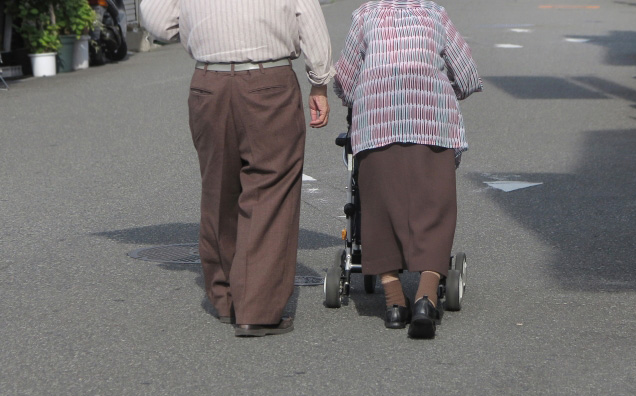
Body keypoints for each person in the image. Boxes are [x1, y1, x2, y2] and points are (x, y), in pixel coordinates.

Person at [140, 0, 334, 337]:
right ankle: (257, 308)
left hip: (208, 81)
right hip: (268, 79)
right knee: (270, 188)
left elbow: (158, 22)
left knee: (218, 187)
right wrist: (319, 81)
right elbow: (309, 22)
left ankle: (226, 298)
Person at [333, 0, 482, 339]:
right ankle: (427, 299)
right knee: (435, 208)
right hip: (431, 120)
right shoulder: (434, 14)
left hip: (377, 121)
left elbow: (344, 79)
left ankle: (395, 302)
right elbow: (468, 75)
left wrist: (360, 96)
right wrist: (444, 91)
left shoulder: (365, 15)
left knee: (378, 210)